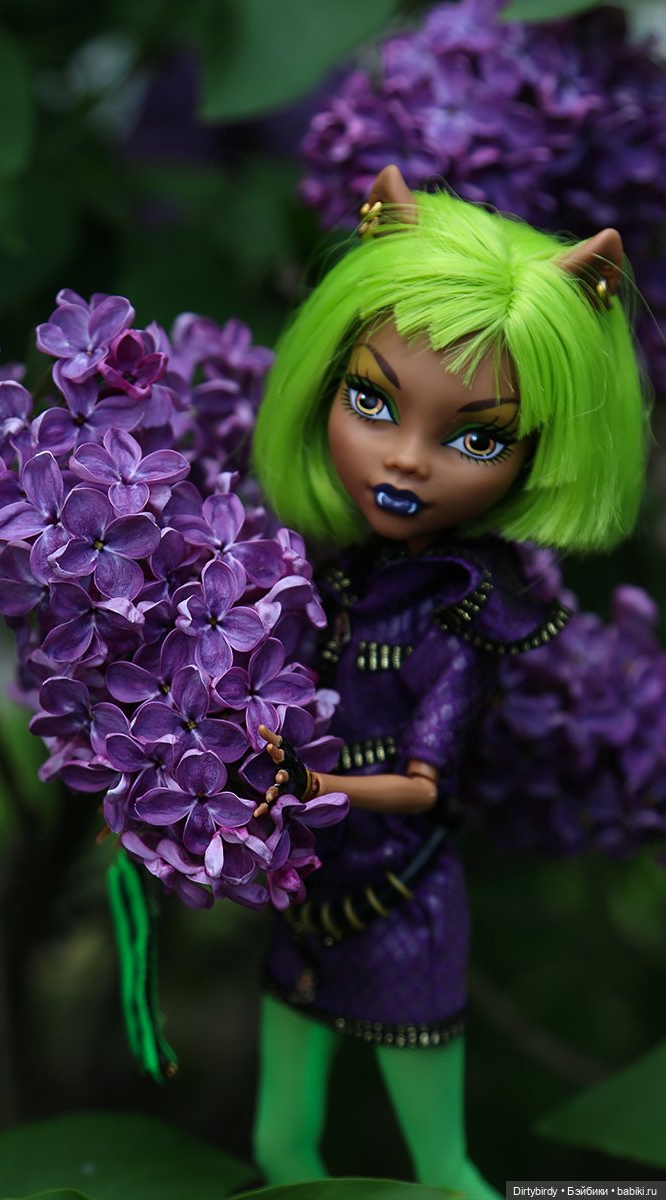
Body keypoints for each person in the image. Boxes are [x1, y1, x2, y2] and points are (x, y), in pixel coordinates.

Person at [249, 165, 648, 1196]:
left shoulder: (459, 617)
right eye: (371, 401)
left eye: (475, 438)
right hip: (307, 891)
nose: (406, 460)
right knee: (279, 1150)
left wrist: (311, 786)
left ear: (540, 454)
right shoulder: (327, 571)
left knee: (442, 1166)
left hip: (400, 903)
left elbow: (425, 787)